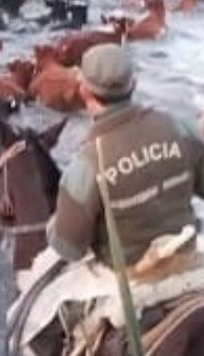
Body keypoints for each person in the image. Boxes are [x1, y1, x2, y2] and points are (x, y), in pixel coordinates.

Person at [13, 43, 204, 355]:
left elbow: (69, 248)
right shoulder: (178, 127)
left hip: (126, 275)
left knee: (31, 324)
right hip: (186, 253)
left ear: (84, 91)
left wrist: (53, 226)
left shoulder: (87, 163)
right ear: (135, 85)